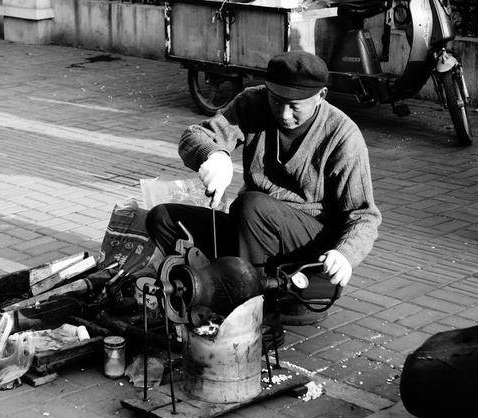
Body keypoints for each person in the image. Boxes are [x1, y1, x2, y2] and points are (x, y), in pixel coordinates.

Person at [145, 51, 381, 324]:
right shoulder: (253, 102)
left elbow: (365, 215)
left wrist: (346, 254)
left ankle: (253, 311)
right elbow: (194, 135)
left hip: (307, 249)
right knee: (162, 218)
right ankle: (208, 287)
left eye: (294, 105)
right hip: (253, 232)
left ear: (322, 95)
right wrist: (213, 154)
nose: (283, 113)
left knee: (251, 206)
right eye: (276, 101)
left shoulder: (342, 135)